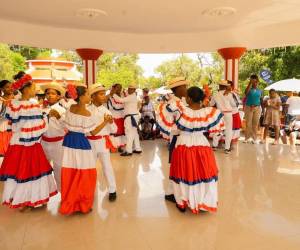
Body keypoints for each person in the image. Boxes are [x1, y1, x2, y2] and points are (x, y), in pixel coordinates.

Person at [160, 86, 224, 213]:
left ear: (189, 98)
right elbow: (216, 132)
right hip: (202, 144)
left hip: (184, 143)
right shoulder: (210, 112)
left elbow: (166, 118)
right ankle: (202, 202)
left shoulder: (181, 110)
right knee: (203, 172)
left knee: (183, 172)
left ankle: (182, 201)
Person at [0, 72, 57, 210]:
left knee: (18, 171)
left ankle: (21, 200)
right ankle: (32, 199)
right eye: (33, 88)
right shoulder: (32, 106)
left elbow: (9, 124)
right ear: (26, 89)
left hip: (16, 143)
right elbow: (38, 128)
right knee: (31, 171)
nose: (36, 91)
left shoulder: (13, 104)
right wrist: (46, 116)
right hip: (30, 145)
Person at [156, 77, 188, 203]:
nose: (186, 89)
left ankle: (172, 191)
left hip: (183, 136)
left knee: (179, 165)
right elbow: (167, 122)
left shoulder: (182, 101)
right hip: (177, 136)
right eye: (184, 87)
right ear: (178, 89)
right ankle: (171, 192)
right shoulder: (172, 104)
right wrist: (177, 128)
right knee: (176, 164)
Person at [87, 84, 118, 202]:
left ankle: (112, 190)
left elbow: (114, 130)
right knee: (90, 167)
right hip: (90, 143)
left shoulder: (106, 110)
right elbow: (90, 132)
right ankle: (89, 190)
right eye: (100, 94)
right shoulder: (87, 110)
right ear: (93, 96)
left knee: (107, 167)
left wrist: (110, 122)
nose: (104, 96)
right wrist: (105, 122)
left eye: (104, 94)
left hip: (103, 142)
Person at [40, 82, 66, 191]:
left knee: (59, 169)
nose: (50, 95)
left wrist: (59, 117)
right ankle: (43, 194)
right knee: (42, 169)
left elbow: (67, 126)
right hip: (43, 143)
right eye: (48, 93)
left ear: (59, 96)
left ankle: (62, 193)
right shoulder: (41, 109)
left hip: (58, 144)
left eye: (53, 93)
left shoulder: (63, 110)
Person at [113, 84, 142, 156]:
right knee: (135, 133)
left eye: (131, 89)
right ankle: (138, 149)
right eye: (128, 89)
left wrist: (113, 93)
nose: (129, 90)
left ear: (134, 90)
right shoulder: (132, 96)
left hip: (130, 117)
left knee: (129, 133)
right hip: (133, 116)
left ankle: (128, 151)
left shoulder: (131, 97)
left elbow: (120, 100)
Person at [210, 80, 236, 154]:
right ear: (225, 86)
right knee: (228, 131)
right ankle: (227, 148)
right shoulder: (230, 94)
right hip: (228, 114)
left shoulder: (215, 94)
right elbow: (234, 104)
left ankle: (214, 146)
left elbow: (211, 104)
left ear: (219, 86)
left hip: (219, 114)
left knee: (218, 130)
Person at [244, 74, 263, 144]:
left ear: (257, 81)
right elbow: (246, 93)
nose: (254, 83)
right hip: (249, 107)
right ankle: (247, 138)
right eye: (253, 81)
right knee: (248, 123)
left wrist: (262, 109)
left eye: (255, 81)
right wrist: (250, 83)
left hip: (257, 108)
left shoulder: (260, 90)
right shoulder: (249, 89)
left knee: (255, 123)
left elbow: (261, 100)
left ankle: (254, 138)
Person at [107, 83, 126, 152]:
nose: (119, 89)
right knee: (114, 132)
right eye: (118, 87)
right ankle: (113, 146)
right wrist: (123, 106)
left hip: (122, 117)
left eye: (120, 87)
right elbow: (115, 107)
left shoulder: (122, 97)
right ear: (114, 88)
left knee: (121, 133)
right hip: (114, 117)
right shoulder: (110, 97)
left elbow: (124, 105)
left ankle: (120, 146)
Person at [0, 80, 14, 166]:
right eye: (7, 87)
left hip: (14, 131)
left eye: (11, 86)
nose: (10, 88)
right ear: (2, 89)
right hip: (2, 130)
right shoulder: (0, 101)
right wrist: (4, 107)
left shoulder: (17, 100)